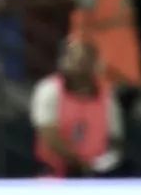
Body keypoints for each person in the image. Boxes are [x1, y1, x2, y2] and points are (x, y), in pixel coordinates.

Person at [31, 39, 125, 178]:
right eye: (72, 58)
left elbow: (115, 139)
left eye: (83, 60)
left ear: (95, 64)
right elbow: (48, 134)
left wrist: (101, 164)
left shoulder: (108, 97)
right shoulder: (48, 89)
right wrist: (79, 163)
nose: (76, 65)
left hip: (96, 176)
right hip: (53, 175)